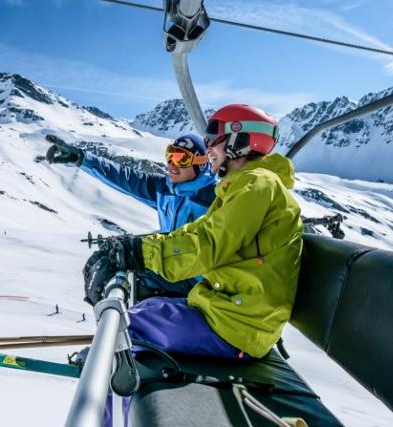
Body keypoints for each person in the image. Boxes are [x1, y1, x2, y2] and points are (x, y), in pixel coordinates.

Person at [84, 104, 304, 361]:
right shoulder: (244, 186)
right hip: (231, 314)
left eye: (213, 137)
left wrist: (138, 253)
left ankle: (105, 389)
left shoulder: (257, 185)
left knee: (122, 329)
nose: (208, 146)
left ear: (239, 140)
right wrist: (137, 247)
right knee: (146, 309)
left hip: (237, 326)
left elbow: (207, 244)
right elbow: (197, 231)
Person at [47, 133, 217, 297]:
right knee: (108, 265)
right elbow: (125, 177)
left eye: (181, 159)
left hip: (200, 280)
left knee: (134, 282)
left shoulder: (214, 198)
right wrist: (82, 159)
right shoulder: (166, 189)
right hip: (171, 266)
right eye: (170, 156)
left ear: (200, 164)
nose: (171, 165)